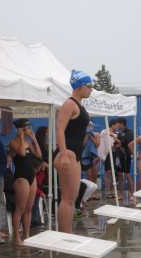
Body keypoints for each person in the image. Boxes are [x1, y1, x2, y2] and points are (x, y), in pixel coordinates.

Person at [53, 70, 91, 233]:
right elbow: (59, 130)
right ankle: (65, 235)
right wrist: (63, 155)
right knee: (67, 198)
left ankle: (67, 233)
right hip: (67, 154)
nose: (91, 89)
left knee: (72, 198)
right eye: (90, 86)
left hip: (73, 154)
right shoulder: (69, 104)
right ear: (80, 86)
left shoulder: (78, 105)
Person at [9, 118, 42, 246]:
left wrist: (33, 139)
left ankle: (27, 235)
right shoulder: (13, 142)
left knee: (29, 208)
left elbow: (38, 155)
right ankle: (17, 238)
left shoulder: (28, 142)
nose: (31, 130)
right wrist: (22, 137)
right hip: (21, 177)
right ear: (20, 130)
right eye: (28, 128)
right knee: (20, 208)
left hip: (31, 177)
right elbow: (22, 153)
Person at [98, 118, 120, 198]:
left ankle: (114, 191)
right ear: (113, 125)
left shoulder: (117, 134)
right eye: (117, 126)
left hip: (115, 154)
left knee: (115, 173)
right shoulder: (104, 132)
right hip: (107, 155)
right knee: (108, 172)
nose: (117, 128)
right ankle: (108, 192)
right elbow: (102, 145)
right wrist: (102, 157)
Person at [115, 117, 134, 201]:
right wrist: (120, 144)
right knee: (120, 174)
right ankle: (121, 194)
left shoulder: (129, 132)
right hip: (120, 156)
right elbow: (116, 144)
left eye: (118, 123)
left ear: (122, 123)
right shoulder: (120, 133)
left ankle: (132, 194)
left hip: (127, 156)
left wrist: (120, 144)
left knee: (127, 174)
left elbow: (125, 143)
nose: (117, 125)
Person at [82, 121, 100, 200]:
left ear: (92, 127)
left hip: (94, 156)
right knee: (88, 175)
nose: (89, 127)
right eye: (87, 126)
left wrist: (91, 136)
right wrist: (86, 137)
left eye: (90, 126)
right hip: (86, 156)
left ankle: (92, 193)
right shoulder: (83, 135)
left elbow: (97, 144)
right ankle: (88, 193)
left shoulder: (96, 134)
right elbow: (82, 145)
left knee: (95, 175)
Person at [31, 156, 47, 228]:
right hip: (31, 192)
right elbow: (34, 185)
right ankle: (31, 220)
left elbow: (39, 183)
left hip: (35, 190)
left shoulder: (36, 173)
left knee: (36, 198)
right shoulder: (31, 173)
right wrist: (40, 192)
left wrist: (42, 171)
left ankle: (33, 219)